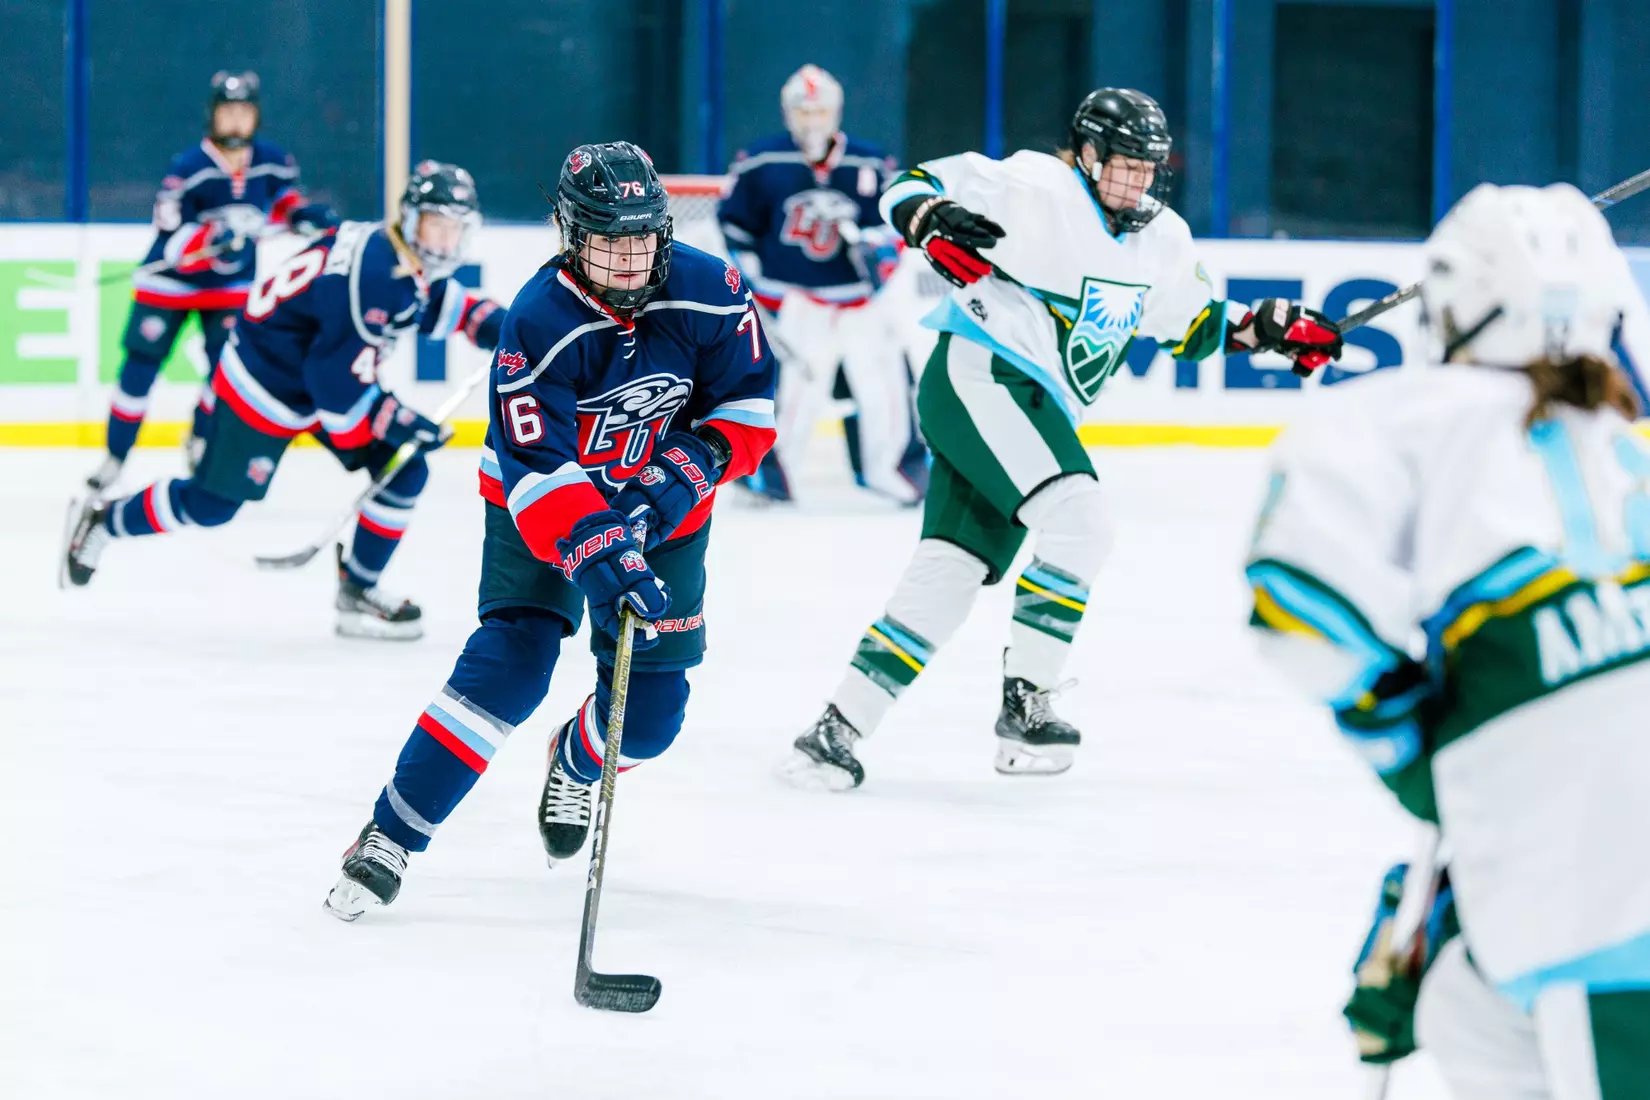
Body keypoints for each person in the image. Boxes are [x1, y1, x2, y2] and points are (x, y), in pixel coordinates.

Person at [782, 87, 1343, 788]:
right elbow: (913, 184)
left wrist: (1269, 328)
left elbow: (1195, 326)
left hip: (1024, 404)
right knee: (1082, 519)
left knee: (949, 574)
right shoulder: (1034, 187)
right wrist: (928, 219)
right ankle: (1028, 699)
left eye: (1148, 168)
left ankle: (836, 729)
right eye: (1124, 165)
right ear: (1087, 154)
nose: (1137, 181)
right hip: (981, 375)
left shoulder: (1163, 239)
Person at [1247, 182, 1650, 1098]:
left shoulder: (1411, 415)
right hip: (1576, 882)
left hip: (1597, 909)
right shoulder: (1630, 446)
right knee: (1467, 1010)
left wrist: (1417, 748)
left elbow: (1298, 603)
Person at [323, 142, 777, 920]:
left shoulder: (715, 291)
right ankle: (391, 834)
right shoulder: (538, 320)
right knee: (512, 663)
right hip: (541, 503)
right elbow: (538, 469)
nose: (630, 259)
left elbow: (750, 405)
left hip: (667, 515)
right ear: (571, 234)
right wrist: (601, 551)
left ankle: (575, 759)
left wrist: (689, 468)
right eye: (608, 240)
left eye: (643, 237)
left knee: (650, 719)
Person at [62, 162, 502, 640]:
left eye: (454, 230)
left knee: (404, 469)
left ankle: (357, 591)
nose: (444, 242)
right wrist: (395, 418)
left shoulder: (394, 252)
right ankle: (104, 520)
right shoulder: (376, 278)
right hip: (261, 386)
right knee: (212, 505)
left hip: (311, 379)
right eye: (436, 226)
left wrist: (514, 330)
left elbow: (437, 303)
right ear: (411, 219)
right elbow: (336, 389)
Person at [87, 70, 339, 493]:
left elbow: (282, 203)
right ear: (213, 115)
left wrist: (301, 215)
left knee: (225, 369)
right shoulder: (189, 167)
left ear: (256, 116)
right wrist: (209, 239)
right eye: (228, 112)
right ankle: (115, 455)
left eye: (244, 112)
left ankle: (201, 440)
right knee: (140, 369)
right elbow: (170, 232)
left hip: (229, 287)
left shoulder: (273, 161)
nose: (236, 121)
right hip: (169, 285)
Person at [717, 63, 925, 505]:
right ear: (787, 113)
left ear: (836, 111)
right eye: (803, 111)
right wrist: (761, 291)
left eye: (820, 111)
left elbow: (894, 224)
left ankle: (895, 471)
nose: (812, 120)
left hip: (861, 304)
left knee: (885, 385)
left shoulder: (869, 160)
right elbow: (735, 229)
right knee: (790, 393)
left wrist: (875, 248)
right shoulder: (761, 161)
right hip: (798, 303)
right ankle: (770, 477)